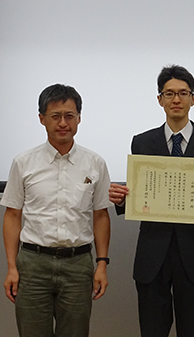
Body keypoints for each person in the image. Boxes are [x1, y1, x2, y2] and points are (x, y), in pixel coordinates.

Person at [109, 65, 194, 337]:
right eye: (169, 94)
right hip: (152, 253)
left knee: (193, 331)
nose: (176, 100)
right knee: (152, 330)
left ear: (193, 98)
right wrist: (121, 200)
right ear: (160, 99)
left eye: (183, 93)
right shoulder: (142, 142)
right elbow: (138, 191)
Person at [1, 84, 112, 337]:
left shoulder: (95, 163)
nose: (63, 123)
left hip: (78, 264)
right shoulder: (23, 162)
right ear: (42, 119)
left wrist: (102, 264)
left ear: (79, 118)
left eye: (69, 116)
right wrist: (11, 267)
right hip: (32, 264)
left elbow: (101, 216)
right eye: (55, 116)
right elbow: (12, 215)